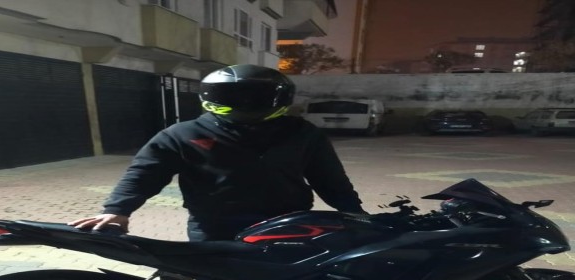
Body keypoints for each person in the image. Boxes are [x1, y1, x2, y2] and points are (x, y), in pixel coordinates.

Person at [69, 64, 364, 242]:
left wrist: (355, 214)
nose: (247, 105)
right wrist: (117, 210)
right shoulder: (182, 134)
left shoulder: (302, 132)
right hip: (216, 224)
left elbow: (330, 179)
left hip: (289, 221)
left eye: (256, 98)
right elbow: (145, 173)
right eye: (238, 97)